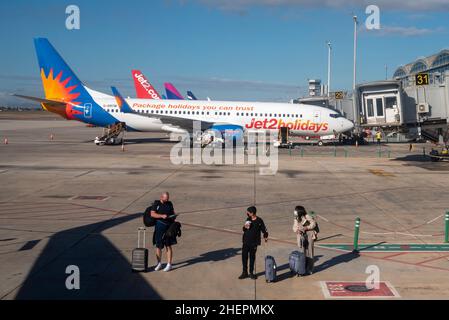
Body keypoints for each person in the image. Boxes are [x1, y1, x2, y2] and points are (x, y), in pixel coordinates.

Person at [239, 206, 268, 280]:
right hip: (245, 242)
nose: (247, 213)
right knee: (244, 257)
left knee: (252, 258)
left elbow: (264, 230)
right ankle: (244, 272)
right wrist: (245, 227)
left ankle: (251, 273)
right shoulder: (248, 219)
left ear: (252, 213)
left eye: (248, 212)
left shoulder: (259, 221)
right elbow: (244, 229)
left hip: (254, 243)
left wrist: (265, 236)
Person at [151, 192, 177, 272]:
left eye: (168, 199)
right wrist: (161, 216)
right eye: (165, 199)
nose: (167, 200)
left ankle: (169, 264)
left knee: (168, 245)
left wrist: (174, 215)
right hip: (160, 225)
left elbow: (173, 212)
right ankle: (159, 263)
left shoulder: (169, 203)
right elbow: (152, 214)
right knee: (158, 245)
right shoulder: (156, 204)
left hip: (169, 227)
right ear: (161, 197)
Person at [292, 206, 317, 275]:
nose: (295, 212)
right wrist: (297, 230)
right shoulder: (296, 218)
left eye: (296, 211)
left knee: (310, 252)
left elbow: (313, 224)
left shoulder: (307, 216)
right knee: (302, 252)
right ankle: (303, 268)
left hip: (309, 235)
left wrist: (306, 227)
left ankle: (310, 269)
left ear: (300, 211)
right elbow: (294, 227)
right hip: (301, 236)